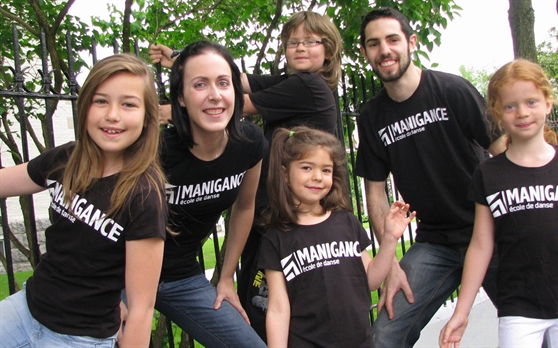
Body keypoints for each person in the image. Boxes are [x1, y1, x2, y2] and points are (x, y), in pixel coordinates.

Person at [149, 11, 342, 340]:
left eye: (311, 41)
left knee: (270, 303)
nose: (300, 48)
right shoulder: (288, 82)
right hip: (275, 210)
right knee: (264, 301)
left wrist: (165, 110)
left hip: (292, 213)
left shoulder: (309, 85)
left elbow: (238, 101)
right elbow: (235, 81)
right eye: (292, 42)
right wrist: (181, 61)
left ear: (329, 49)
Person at [439, 59, 558, 348]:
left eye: (531, 101)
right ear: (497, 113)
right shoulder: (489, 173)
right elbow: (481, 245)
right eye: (510, 106)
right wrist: (462, 312)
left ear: (549, 103)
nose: (522, 112)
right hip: (518, 309)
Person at [354, 7, 507, 347]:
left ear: (411, 42)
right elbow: (375, 193)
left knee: (528, 326)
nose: (385, 50)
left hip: (491, 233)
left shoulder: (452, 89)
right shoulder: (372, 116)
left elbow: (505, 151)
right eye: (374, 44)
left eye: (393, 39)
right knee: (383, 335)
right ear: (365, 53)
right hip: (435, 244)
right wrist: (390, 264)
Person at [0, 54, 168, 347]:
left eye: (128, 104)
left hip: (77, 338)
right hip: (23, 312)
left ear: (147, 117)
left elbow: (141, 308)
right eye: (100, 101)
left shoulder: (144, 195)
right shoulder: (66, 159)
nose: (112, 115)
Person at [144, 40, 268, 347]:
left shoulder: (250, 143)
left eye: (223, 83)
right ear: (181, 99)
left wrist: (226, 276)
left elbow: (244, 207)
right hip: (119, 277)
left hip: (181, 279)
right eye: (200, 84)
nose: (215, 95)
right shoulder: (156, 152)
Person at [257, 126, 415, 347]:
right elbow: (277, 307)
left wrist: (390, 238)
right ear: (284, 172)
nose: (317, 177)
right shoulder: (275, 239)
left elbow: (371, 279)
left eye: (326, 170)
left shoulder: (347, 222)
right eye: (306, 167)